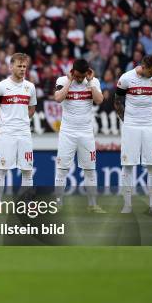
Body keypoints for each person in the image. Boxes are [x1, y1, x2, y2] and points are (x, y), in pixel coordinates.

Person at [53, 59, 106, 212]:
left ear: (87, 72)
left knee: (90, 170)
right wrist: (70, 81)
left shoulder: (93, 81)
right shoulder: (62, 80)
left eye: (82, 76)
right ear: (72, 71)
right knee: (62, 169)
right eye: (77, 76)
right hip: (67, 132)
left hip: (86, 133)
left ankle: (92, 204)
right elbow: (58, 98)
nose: (79, 79)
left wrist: (89, 82)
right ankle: (58, 204)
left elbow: (99, 100)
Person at [114, 55, 152, 214]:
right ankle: (127, 205)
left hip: (150, 126)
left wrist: (151, 114)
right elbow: (117, 101)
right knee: (127, 165)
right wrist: (126, 120)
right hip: (131, 126)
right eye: (151, 70)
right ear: (143, 66)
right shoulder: (126, 78)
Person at [0, 53, 36, 200]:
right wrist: (3, 123)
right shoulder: (1, 87)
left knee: (27, 170)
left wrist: (21, 121)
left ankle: (26, 203)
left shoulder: (30, 87)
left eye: (24, 66)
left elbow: (32, 108)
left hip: (24, 133)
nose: (22, 69)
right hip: (7, 132)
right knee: (2, 168)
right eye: (19, 66)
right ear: (11, 67)